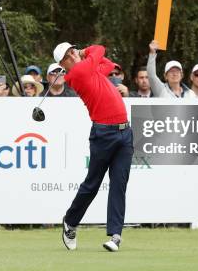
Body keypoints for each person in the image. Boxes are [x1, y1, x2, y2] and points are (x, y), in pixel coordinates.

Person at [54, 42, 132, 252]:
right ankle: (70, 222)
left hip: (125, 132)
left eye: (73, 51)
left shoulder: (88, 69)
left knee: (119, 184)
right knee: (93, 184)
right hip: (103, 134)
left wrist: (87, 57)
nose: (73, 55)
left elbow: (108, 64)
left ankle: (115, 236)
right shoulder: (77, 73)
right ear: (63, 64)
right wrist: (84, 52)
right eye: (68, 56)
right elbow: (100, 49)